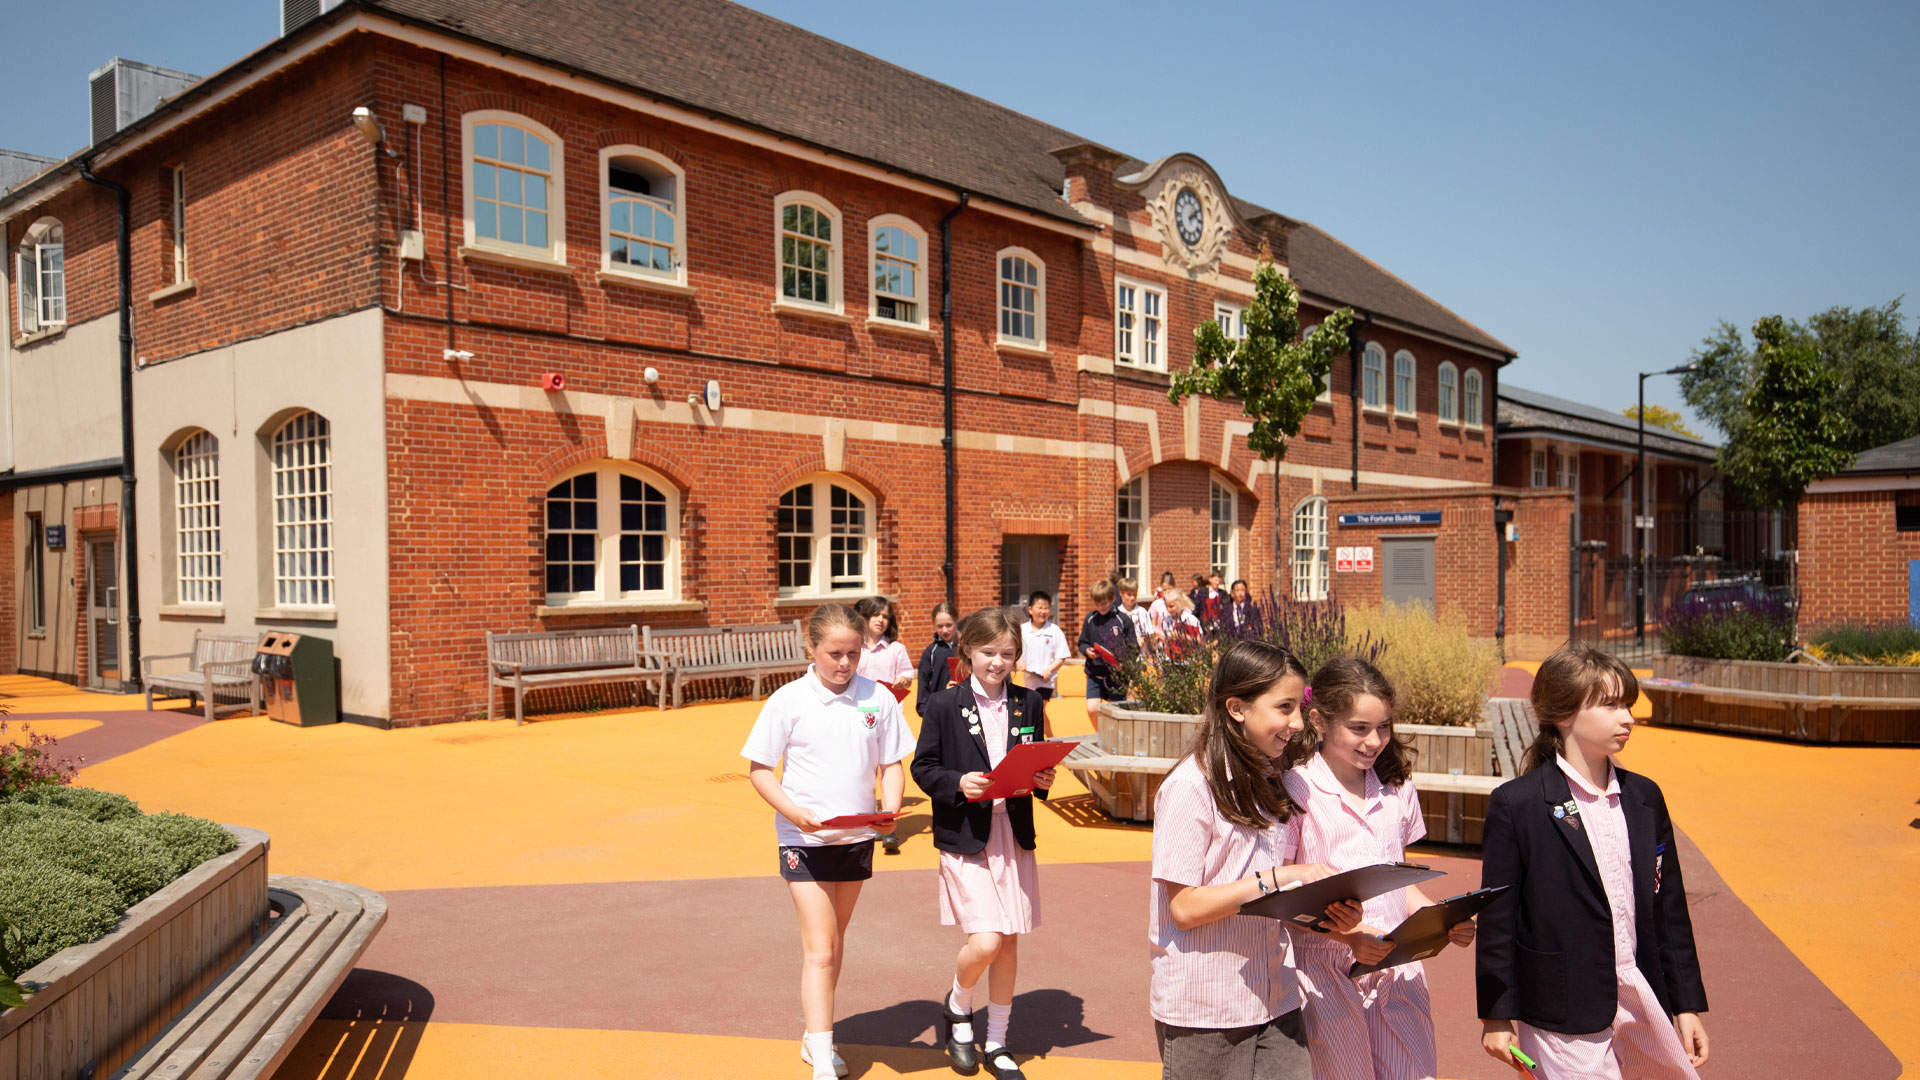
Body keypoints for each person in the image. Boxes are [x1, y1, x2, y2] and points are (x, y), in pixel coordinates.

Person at [1478, 647, 1710, 1080]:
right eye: (1610, 705)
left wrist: (1687, 1004)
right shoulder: (1518, 804)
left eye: (1628, 704)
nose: (1627, 718)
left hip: (1641, 994)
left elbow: (1669, 910)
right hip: (1561, 1005)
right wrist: (1496, 1013)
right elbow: (1498, 918)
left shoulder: (1645, 798)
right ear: (1564, 714)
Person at [1150, 639, 1363, 1080]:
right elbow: (1185, 908)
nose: (1297, 723)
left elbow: (1273, 900)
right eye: (1284, 707)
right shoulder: (1190, 787)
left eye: (1298, 707)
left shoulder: (1274, 779)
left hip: (1276, 998)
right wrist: (1281, 876)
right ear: (1237, 708)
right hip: (1205, 1009)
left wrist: (1328, 912)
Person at [740, 603, 915, 1080]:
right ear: (810, 648)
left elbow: (893, 761)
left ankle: (815, 1034)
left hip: (856, 835)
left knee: (835, 945)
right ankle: (822, 1057)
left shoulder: (877, 698)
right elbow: (760, 770)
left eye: (853, 654)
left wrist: (891, 810)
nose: (844, 663)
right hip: (803, 838)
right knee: (819, 948)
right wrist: (795, 812)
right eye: (834, 653)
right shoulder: (788, 700)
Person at [1285, 657, 1475, 1080]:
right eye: (1359, 728)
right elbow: (1281, 901)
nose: (1374, 741)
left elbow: (1398, 882)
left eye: (1384, 727)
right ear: (1318, 720)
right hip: (1325, 976)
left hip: (1396, 969)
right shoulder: (1296, 789)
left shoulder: (1398, 787)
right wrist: (1348, 936)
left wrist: (1441, 920)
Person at [911, 607, 1056, 1080]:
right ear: (967, 650)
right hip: (965, 835)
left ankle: (996, 1040)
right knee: (987, 939)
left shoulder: (1029, 702)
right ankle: (958, 1005)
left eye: (1008, 654)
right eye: (988, 652)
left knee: (1009, 943)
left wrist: (1042, 777)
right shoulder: (942, 705)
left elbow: (1034, 765)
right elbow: (924, 768)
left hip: (1012, 832)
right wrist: (957, 782)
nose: (998, 662)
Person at [1077, 579, 1138, 729]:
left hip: (1116, 675)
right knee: (1092, 708)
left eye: (1104, 603)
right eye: (1097, 603)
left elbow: (1133, 647)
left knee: (1114, 712)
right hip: (1095, 673)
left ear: (1113, 599)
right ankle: (1100, 734)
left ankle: (1112, 738)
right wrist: (1087, 651)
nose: (1101, 607)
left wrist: (1122, 662)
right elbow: (1082, 643)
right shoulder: (1090, 619)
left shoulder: (1123, 620)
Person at [1017, 591, 1068, 731]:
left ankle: (1044, 738)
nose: (1043, 611)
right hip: (1028, 679)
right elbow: (1016, 651)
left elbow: (1061, 656)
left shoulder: (1054, 630)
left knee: (1039, 708)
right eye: (1039, 607)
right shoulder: (1022, 630)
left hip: (1045, 680)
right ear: (1030, 609)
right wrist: (1019, 662)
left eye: (1046, 607)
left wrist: (1049, 669)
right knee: (1032, 710)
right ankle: (1044, 737)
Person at [853, 596, 915, 701]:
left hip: (888, 707)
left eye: (885, 617)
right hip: (861, 705)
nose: (881, 620)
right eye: (876, 615)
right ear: (866, 617)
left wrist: (904, 680)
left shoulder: (896, 649)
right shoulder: (855, 647)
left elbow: (907, 676)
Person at [917, 601, 960, 717]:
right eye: (940, 626)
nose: (944, 630)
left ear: (956, 621)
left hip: (966, 710)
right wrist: (927, 713)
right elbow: (923, 686)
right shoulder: (930, 653)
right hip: (940, 712)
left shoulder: (967, 648)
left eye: (949, 625)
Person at [1117, 576, 1158, 656]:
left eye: (1134, 595)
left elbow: (1149, 633)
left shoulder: (1142, 612)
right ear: (1121, 593)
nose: (1132, 598)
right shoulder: (1118, 612)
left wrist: (1142, 640)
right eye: (1129, 595)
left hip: (1140, 656)